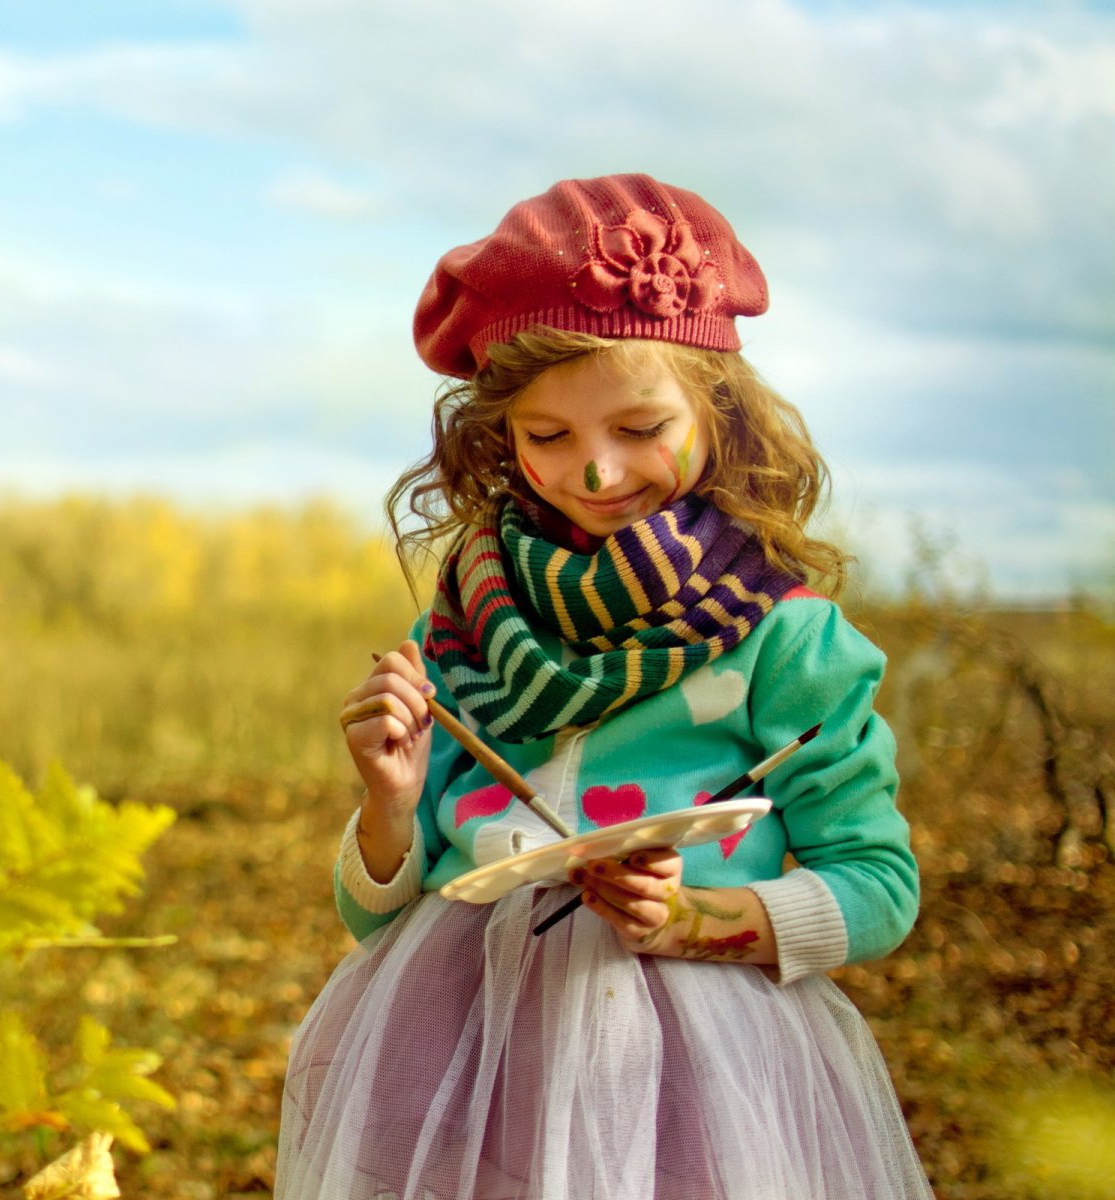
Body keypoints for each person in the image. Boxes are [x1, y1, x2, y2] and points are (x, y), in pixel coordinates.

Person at [275, 175, 932, 1200]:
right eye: (549, 437)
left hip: (699, 1078)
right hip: (463, 1054)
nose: (593, 474)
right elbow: (375, 923)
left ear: (721, 410)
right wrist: (390, 802)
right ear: (500, 438)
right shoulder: (460, 627)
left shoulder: (782, 633)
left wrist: (700, 919)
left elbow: (881, 889)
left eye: (638, 427)